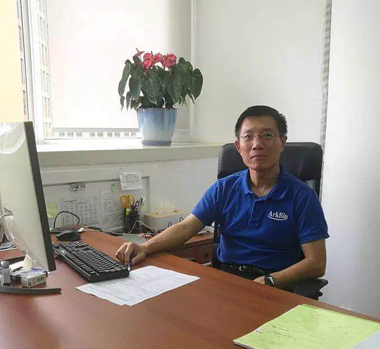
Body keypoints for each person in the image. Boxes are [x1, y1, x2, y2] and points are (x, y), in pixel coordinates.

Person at [116, 105, 329, 291]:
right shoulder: (224, 188)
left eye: (267, 135)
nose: (257, 144)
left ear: (282, 142)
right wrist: (144, 247)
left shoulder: (302, 196)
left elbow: (317, 263)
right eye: (248, 137)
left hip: (276, 286)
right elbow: (186, 228)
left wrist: (272, 280)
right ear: (238, 147)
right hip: (227, 280)